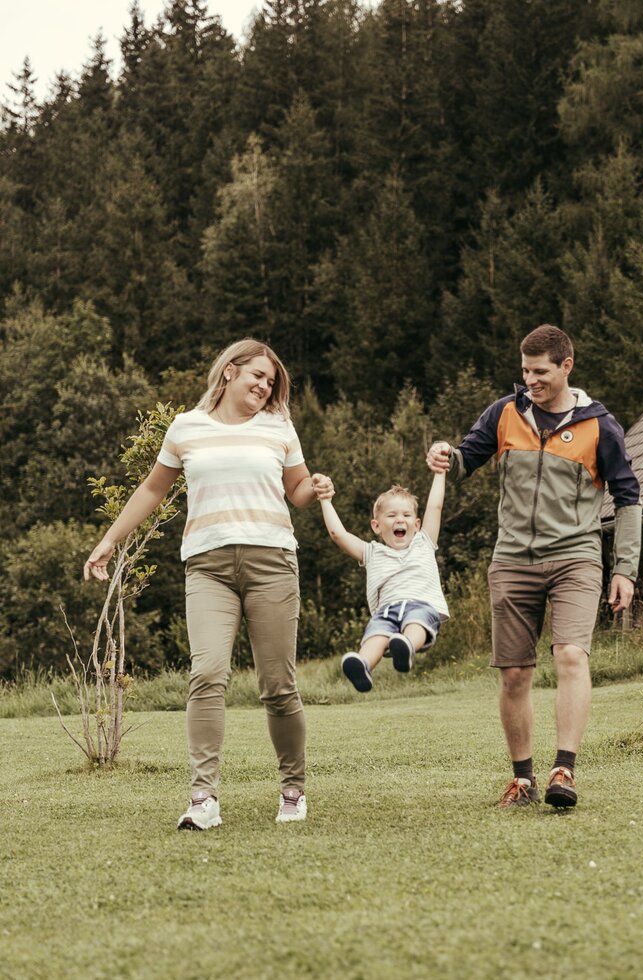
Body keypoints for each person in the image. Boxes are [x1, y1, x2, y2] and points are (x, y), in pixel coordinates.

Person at [83, 338, 320, 831]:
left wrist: (314, 487)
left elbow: (296, 492)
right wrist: (110, 540)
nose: (264, 385)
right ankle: (203, 798)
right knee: (207, 673)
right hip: (207, 567)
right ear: (230, 371)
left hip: (272, 563)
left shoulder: (278, 427)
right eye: (257, 375)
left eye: (271, 381)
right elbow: (153, 488)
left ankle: (293, 791)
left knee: (277, 686)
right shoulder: (186, 427)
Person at [426, 324, 641, 809]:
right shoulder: (506, 413)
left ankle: (563, 770)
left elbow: (628, 497)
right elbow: (466, 459)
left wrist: (624, 567)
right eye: (525, 371)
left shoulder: (599, 426)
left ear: (567, 365)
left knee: (570, 655)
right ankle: (521, 780)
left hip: (576, 557)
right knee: (514, 674)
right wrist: (445, 455)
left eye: (540, 371)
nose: (530, 380)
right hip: (513, 560)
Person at [313, 473, 449, 692]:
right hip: (386, 612)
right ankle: (363, 665)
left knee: (415, 621)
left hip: (421, 605)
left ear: (416, 524)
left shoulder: (424, 542)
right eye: (391, 515)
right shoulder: (371, 552)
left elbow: (435, 507)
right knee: (376, 635)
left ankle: (406, 647)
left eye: (406, 515)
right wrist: (325, 500)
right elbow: (338, 534)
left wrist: (439, 472)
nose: (399, 519)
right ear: (376, 526)